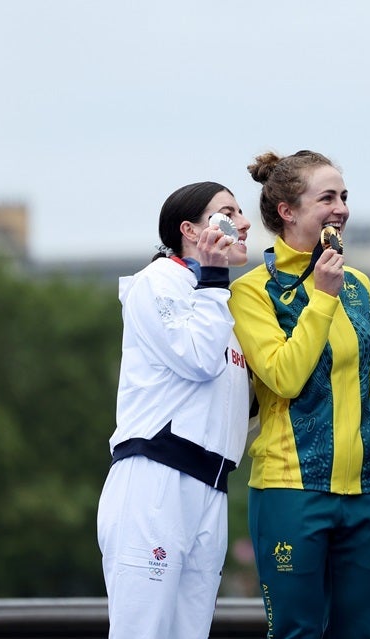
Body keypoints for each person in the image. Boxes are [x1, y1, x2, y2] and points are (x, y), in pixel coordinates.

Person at [228, 150, 370, 639]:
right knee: (297, 632)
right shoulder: (254, 291)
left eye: (344, 197)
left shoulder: (359, 285)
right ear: (288, 211)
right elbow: (283, 377)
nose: (341, 208)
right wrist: (321, 296)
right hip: (291, 491)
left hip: (366, 492)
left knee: (358, 632)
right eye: (327, 197)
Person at [96, 181, 252, 639]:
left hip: (211, 487)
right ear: (189, 229)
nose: (243, 222)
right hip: (156, 479)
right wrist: (214, 278)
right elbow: (198, 360)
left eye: (242, 211)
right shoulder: (158, 283)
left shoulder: (217, 297)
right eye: (227, 212)